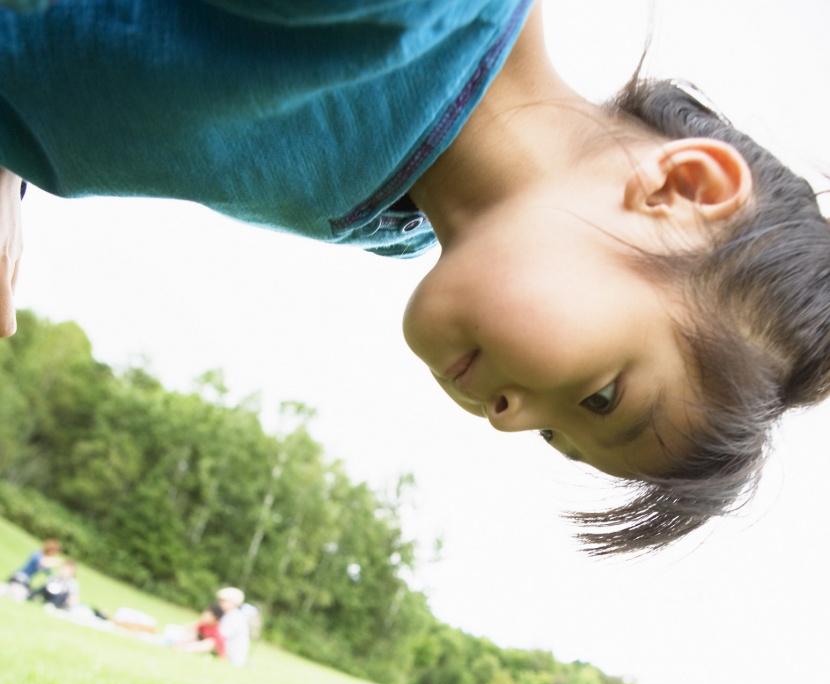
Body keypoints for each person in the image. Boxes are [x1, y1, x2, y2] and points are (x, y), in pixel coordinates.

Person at [0, 2, 826, 553]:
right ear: (680, 193)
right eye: (602, 395)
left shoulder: (387, 216)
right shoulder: (418, 15)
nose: (506, 420)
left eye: (551, 432)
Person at [216, 587, 251, 668]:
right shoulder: (229, 615)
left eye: (224, 601)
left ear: (234, 603)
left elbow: (220, 638)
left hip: (232, 658)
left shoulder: (235, 617)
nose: (220, 603)